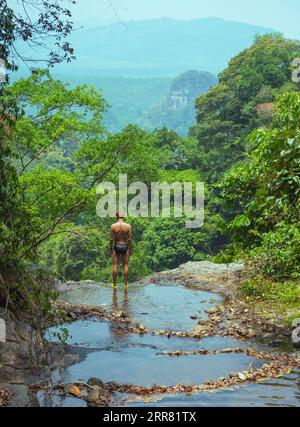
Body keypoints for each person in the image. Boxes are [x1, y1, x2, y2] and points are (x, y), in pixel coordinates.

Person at [110, 212, 132, 289]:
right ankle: (125, 284)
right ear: (123, 217)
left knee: (115, 265)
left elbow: (111, 239)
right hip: (125, 246)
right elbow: (129, 239)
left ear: (116, 217)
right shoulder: (128, 226)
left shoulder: (113, 226)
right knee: (125, 265)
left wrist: (110, 248)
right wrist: (130, 249)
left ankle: (115, 284)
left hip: (116, 246)